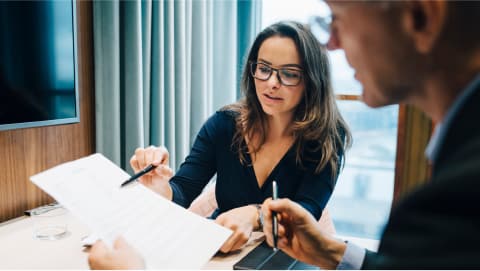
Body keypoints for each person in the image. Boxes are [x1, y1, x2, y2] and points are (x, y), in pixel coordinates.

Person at [88, 21, 351, 269]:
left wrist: (255, 215)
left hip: (284, 258)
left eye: (289, 74)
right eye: (264, 69)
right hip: (222, 254)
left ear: (312, 81)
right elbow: (183, 190)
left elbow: (308, 210)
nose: (272, 83)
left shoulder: (326, 138)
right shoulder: (224, 125)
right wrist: (161, 188)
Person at [262, 1, 480, 269]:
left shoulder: (454, 201)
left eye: (338, 19)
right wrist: (329, 251)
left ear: (422, 17)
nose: (331, 43)